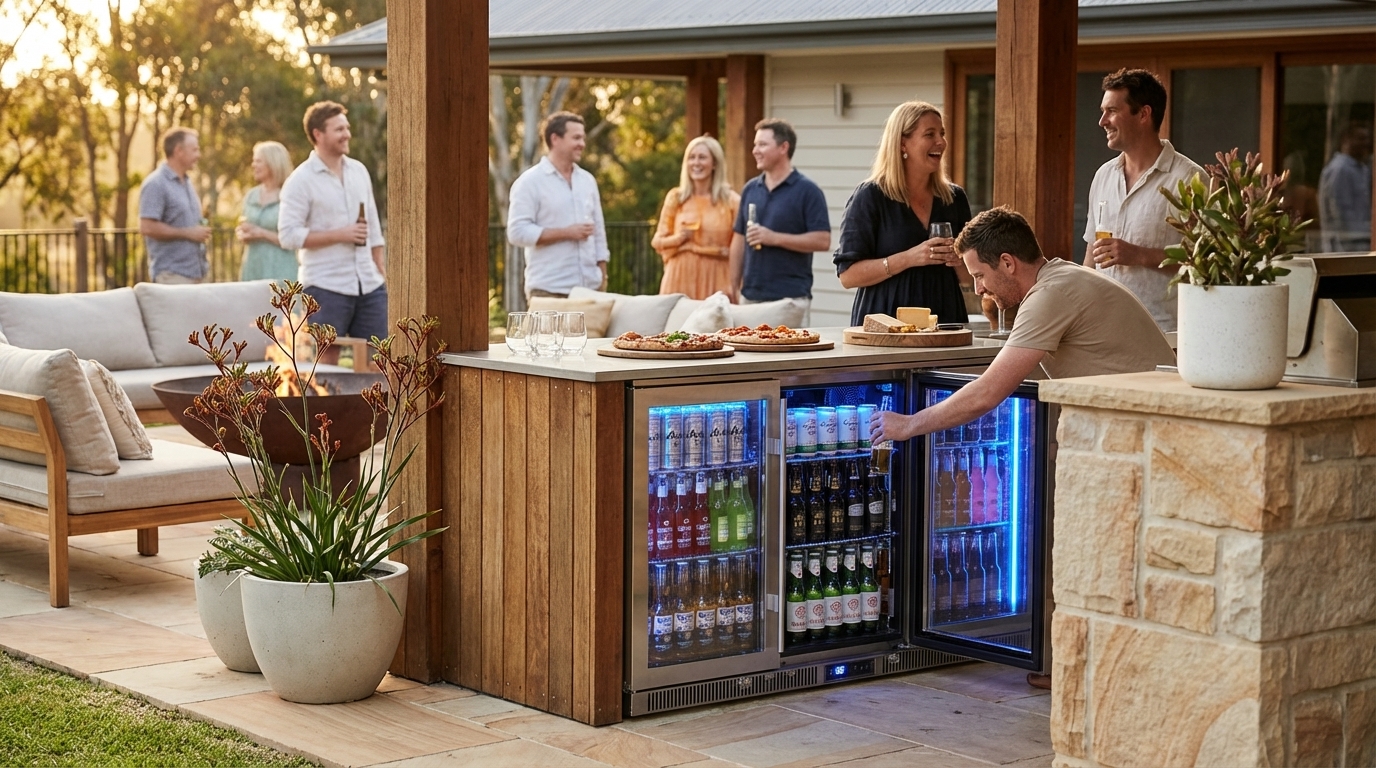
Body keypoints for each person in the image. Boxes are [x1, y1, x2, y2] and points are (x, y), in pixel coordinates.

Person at [870, 206, 1174, 689]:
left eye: (981, 275)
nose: (978, 289)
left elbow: (992, 391)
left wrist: (909, 424)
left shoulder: (1050, 296)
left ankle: (1083, 670)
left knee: (1096, 554)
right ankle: (1077, 664)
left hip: (1144, 442)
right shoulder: (1061, 281)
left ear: (1009, 263)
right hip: (1137, 437)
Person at [1084, 68, 1203, 333]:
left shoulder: (1189, 179)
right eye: (1103, 111)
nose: (1102, 121)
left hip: (1164, 334)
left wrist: (1139, 255)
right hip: (1104, 330)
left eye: (1112, 111)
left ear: (1143, 114)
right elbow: (1092, 256)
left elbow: (1207, 262)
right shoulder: (1103, 176)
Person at [834, 101, 971, 326]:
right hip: (885, 322)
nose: (941, 142)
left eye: (942, 133)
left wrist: (958, 260)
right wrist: (909, 258)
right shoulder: (871, 196)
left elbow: (971, 277)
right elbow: (848, 276)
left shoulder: (954, 198)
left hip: (945, 318)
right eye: (930, 134)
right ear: (902, 144)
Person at [278, 101, 387, 341]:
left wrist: (381, 271)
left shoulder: (359, 171)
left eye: (346, 128)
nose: (347, 134)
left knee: (379, 359)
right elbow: (287, 236)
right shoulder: (300, 180)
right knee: (325, 363)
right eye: (339, 129)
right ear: (318, 134)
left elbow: (374, 228)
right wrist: (341, 234)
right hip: (325, 288)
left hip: (370, 286)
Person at [729, 118, 831, 320]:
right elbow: (739, 240)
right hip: (749, 298)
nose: (755, 150)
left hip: (790, 299)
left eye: (762, 144)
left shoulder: (808, 191)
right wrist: (733, 285)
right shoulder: (750, 189)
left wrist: (773, 238)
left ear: (784, 147)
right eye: (755, 144)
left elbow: (822, 240)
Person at [507, 111, 610, 299]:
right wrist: (567, 233)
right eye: (576, 138)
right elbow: (517, 232)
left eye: (583, 138)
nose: (582, 144)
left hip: (590, 290)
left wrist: (602, 277)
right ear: (555, 139)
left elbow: (599, 232)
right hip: (548, 290)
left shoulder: (587, 180)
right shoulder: (529, 182)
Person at [651, 136, 740, 299]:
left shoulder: (731, 201)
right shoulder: (676, 198)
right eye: (691, 158)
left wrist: (735, 283)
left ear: (715, 164)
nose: (696, 163)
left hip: (718, 277)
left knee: (716, 324)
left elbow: (740, 247)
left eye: (702, 157)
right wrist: (679, 238)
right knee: (678, 324)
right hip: (679, 277)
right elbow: (657, 242)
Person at [139, 127, 211, 284]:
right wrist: (188, 233)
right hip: (172, 275)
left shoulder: (187, 182)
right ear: (179, 151)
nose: (198, 155)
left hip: (197, 273)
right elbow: (147, 227)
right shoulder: (156, 183)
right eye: (194, 150)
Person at [236, 141, 298, 283]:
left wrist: (261, 233)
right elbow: (243, 226)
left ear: (273, 163)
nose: (253, 165)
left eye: (258, 161)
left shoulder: (289, 196)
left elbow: (295, 239)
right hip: (252, 268)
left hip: (281, 270)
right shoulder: (251, 195)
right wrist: (243, 233)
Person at [1318, 123, 1372, 253]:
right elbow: (1338, 211)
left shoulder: (1362, 169)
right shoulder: (1340, 169)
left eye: (1366, 138)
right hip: (1344, 247)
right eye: (1360, 138)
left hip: (1362, 242)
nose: (1365, 143)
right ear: (1346, 140)